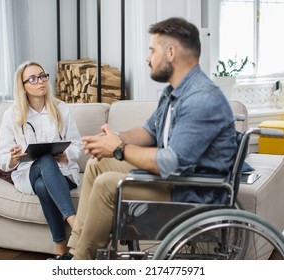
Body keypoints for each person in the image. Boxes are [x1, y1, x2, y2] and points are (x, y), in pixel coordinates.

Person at [66, 17, 237, 260]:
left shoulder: (201, 99)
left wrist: (120, 148)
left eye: (152, 50)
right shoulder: (174, 92)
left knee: (107, 185)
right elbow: (149, 132)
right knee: (96, 165)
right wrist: (114, 138)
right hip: (177, 181)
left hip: (192, 194)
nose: (148, 58)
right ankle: (76, 250)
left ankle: (82, 262)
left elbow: (170, 162)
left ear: (170, 53)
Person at [0, 61, 82, 259]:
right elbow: (1, 158)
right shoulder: (12, 115)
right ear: (22, 85)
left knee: (44, 185)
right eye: (32, 79)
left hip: (63, 173)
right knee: (43, 158)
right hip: (28, 174)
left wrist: (66, 154)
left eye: (42, 76)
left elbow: (78, 145)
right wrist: (13, 158)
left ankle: (60, 251)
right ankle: (76, 225)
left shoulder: (61, 108)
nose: (40, 81)